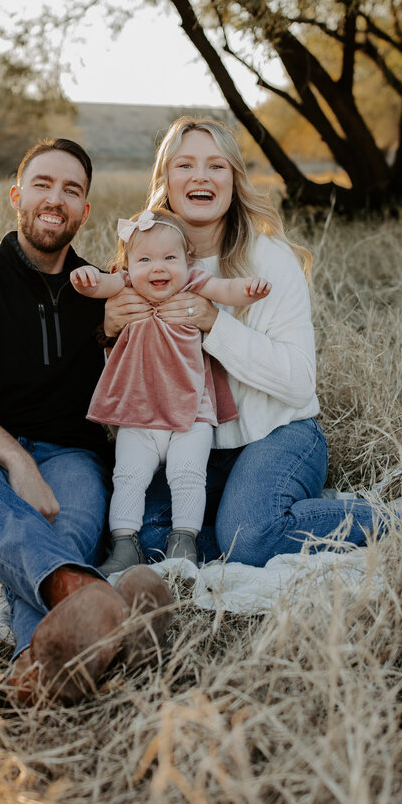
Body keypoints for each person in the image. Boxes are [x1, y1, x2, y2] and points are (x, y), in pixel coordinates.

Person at [0, 138, 171, 704]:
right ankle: (90, 593)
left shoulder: (102, 291)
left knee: (70, 516)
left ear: (85, 211)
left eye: (72, 190)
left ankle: (36, 666)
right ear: (16, 194)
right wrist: (15, 460)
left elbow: (150, 380)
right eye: (43, 184)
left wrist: (121, 334)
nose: (56, 199)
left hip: (68, 455)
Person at [103, 117, 389, 566]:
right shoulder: (145, 261)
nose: (200, 176)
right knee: (148, 536)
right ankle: (246, 518)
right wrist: (108, 330)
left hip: (277, 432)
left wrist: (214, 323)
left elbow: (298, 382)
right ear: (166, 181)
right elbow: (129, 376)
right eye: (185, 165)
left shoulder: (268, 261)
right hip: (190, 443)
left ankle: (379, 519)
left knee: (250, 537)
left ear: (234, 181)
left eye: (216, 166)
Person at [70, 208, 271, 573]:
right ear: (128, 264)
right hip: (138, 414)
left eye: (169, 258)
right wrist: (87, 279)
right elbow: (100, 284)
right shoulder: (125, 284)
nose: (158, 268)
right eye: (145, 259)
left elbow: (225, 289)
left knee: (188, 474)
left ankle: (184, 541)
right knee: (128, 476)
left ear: (187, 260)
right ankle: (124, 544)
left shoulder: (194, 283)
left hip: (191, 412)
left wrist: (248, 290)